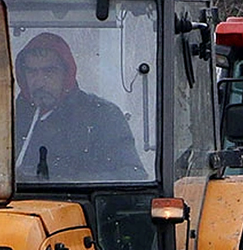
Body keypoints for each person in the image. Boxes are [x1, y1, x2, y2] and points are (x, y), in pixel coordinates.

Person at [14, 33, 145, 181]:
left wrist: (66, 182)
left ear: (67, 73)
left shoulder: (101, 116)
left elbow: (132, 175)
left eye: (49, 72)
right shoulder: (9, 119)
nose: (39, 82)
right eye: (31, 72)